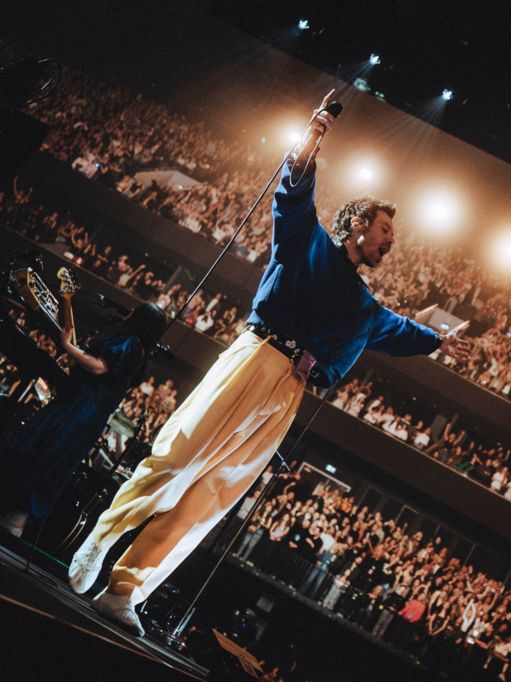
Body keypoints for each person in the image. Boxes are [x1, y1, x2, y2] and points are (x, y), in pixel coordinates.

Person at [67, 90, 472, 636]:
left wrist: (442, 343)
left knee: (213, 494)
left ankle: (125, 589)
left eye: (392, 236)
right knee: (182, 455)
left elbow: (402, 332)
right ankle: (103, 535)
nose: (390, 242)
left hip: (289, 393)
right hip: (257, 357)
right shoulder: (309, 244)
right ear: (357, 225)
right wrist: (313, 135)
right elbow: (295, 192)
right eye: (385, 231)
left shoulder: (366, 307)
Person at [0, 302, 167, 537]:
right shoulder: (140, 355)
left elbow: (99, 368)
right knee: (53, 462)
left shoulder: (128, 342)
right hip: (90, 416)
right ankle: (16, 520)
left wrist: (67, 345)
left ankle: (11, 512)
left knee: (39, 449)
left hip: (77, 407)